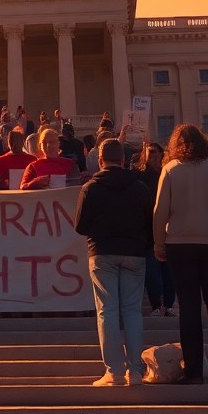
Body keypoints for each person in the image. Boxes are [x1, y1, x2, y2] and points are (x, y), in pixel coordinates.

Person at [153, 124, 208, 385]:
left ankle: (193, 371)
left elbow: (159, 212)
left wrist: (160, 243)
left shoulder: (170, 170)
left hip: (180, 245)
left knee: (189, 308)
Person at [75, 139, 152, 386]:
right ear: (122, 160)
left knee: (107, 311)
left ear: (100, 161)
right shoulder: (140, 188)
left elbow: (80, 226)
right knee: (131, 311)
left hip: (102, 252)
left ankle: (114, 372)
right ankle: (136, 372)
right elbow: (149, 223)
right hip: (134, 253)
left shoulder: (91, 188)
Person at [134, 140, 175, 316]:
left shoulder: (168, 174)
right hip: (147, 229)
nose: (152, 155)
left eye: (155, 152)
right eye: (149, 152)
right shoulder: (140, 175)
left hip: (168, 228)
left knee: (169, 270)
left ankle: (169, 304)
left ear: (162, 154)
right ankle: (156, 305)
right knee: (152, 269)